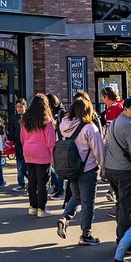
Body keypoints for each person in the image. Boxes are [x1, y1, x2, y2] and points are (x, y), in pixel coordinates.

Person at [56, 96, 105, 245]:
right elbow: (99, 150)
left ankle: (64, 218)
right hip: (87, 169)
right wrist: (103, 167)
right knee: (88, 203)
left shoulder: (62, 125)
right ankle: (86, 235)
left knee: (76, 197)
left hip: (70, 169)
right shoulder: (90, 128)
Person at [103, 95, 131, 239]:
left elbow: (106, 145)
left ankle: (120, 237)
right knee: (127, 207)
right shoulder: (129, 124)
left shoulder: (115, 122)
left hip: (112, 169)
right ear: (126, 109)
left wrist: (104, 167)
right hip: (125, 171)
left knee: (120, 204)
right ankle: (125, 240)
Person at [21, 93, 56, 217]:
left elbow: (22, 137)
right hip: (42, 154)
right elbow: (51, 141)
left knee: (32, 180)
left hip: (28, 152)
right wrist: (53, 157)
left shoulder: (26, 119)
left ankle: (32, 207)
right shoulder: (46, 120)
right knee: (43, 182)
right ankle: (41, 209)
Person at [46, 93, 66, 199]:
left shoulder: (61, 112)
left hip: (60, 141)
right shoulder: (51, 112)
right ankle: (58, 187)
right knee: (53, 166)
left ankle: (61, 189)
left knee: (59, 167)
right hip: (53, 141)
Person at [9, 98, 28, 193]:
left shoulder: (29, 117)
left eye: (21, 107)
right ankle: (21, 184)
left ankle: (33, 182)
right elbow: (11, 132)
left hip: (29, 144)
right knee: (20, 165)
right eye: (17, 107)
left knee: (29, 165)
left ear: (25, 107)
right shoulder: (13, 118)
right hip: (18, 144)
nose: (19, 109)